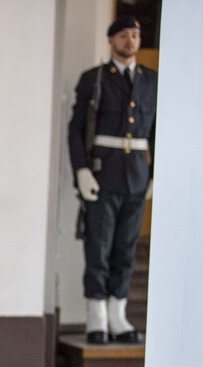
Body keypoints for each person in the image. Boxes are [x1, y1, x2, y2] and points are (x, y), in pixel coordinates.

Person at [67, 16, 157, 344]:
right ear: (111, 40)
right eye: (123, 35)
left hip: (136, 175)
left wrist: (155, 172)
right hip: (103, 174)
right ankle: (97, 318)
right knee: (99, 246)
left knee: (126, 247)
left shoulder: (151, 81)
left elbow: (159, 130)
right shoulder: (96, 79)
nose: (131, 40)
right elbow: (76, 128)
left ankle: (118, 317)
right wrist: (81, 169)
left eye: (135, 34)